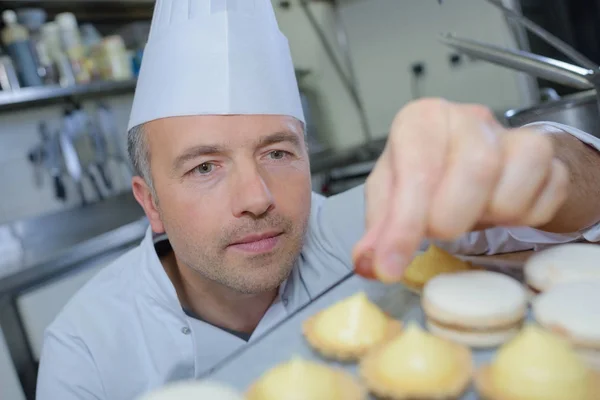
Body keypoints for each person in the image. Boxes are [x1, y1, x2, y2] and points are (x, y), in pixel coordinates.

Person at [36, 1, 600, 399]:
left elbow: (575, 193)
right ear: (150, 202)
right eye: (204, 167)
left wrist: (544, 160)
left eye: (277, 153)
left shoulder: (361, 233)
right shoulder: (85, 351)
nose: (256, 199)